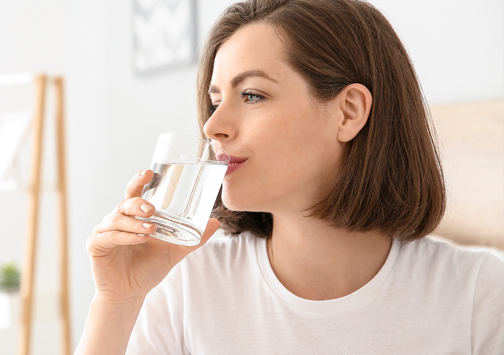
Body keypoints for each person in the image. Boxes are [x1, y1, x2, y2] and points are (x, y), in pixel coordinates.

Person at [75, 0, 504, 353]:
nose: (212, 126)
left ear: (349, 111)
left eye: (252, 95)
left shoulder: (478, 295)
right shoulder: (186, 287)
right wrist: (117, 302)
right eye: (215, 99)